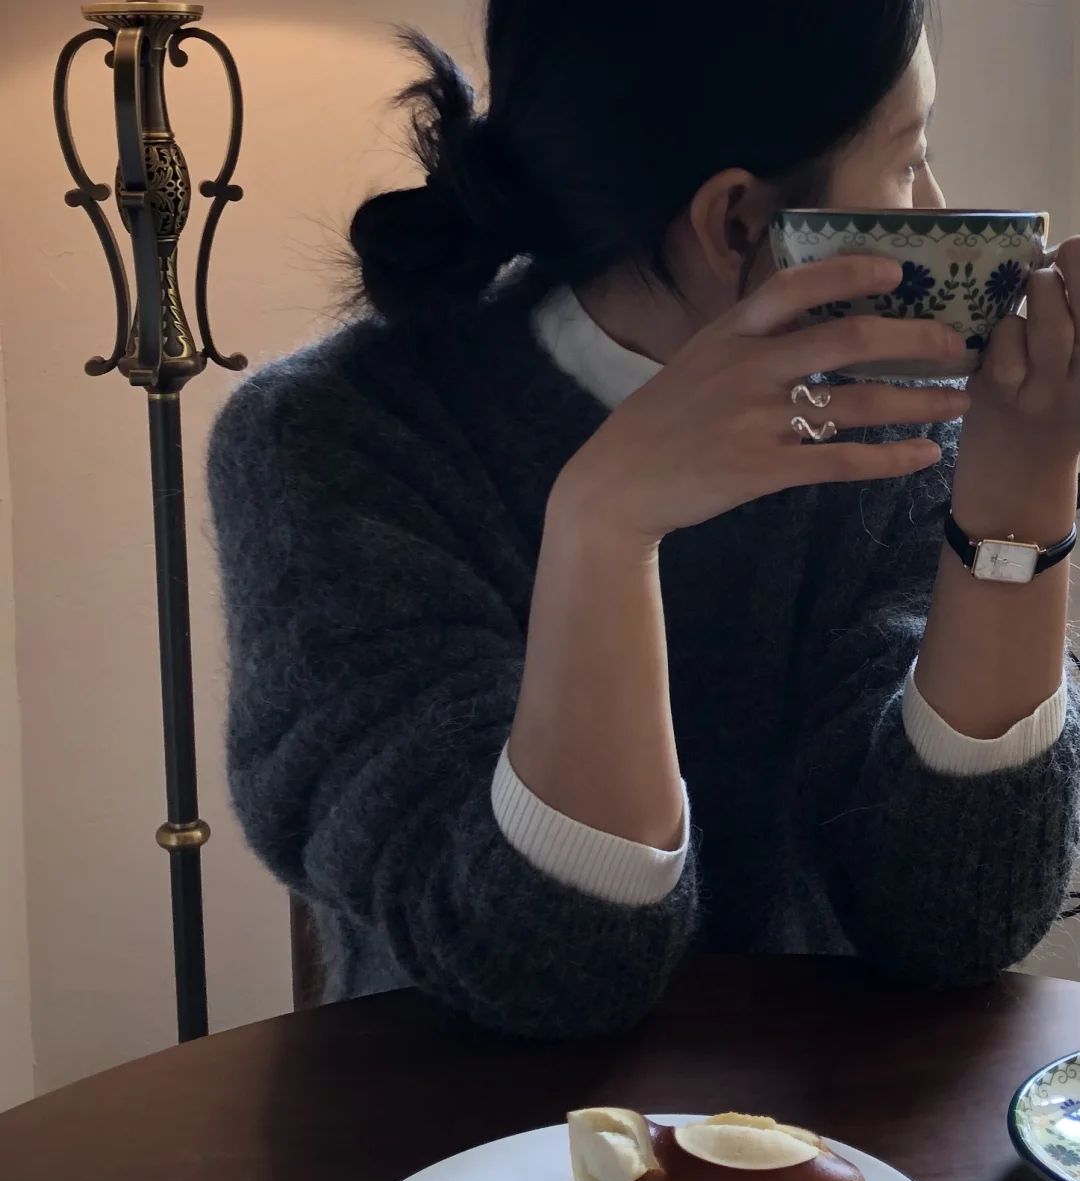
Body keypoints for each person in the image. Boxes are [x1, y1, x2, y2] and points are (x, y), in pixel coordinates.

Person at [208, 0, 1080, 1037]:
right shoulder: (335, 441)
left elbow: (957, 919)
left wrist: (1019, 498)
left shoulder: (897, 428)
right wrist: (606, 526)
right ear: (738, 224)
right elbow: (548, 964)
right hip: (455, 1124)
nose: (939, 208)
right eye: (909, 163)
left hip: (834, 1123)